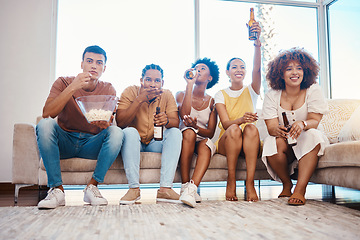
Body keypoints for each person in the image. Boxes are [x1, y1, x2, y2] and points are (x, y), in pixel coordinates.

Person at [36, 45, 124, 209]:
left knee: (116, 132)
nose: (93, 66)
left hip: (91, 144)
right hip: (65, 142)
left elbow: (108, 121)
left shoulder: (108, 88)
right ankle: (57, 190)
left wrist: (106, 124)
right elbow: (48, 113)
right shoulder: (63, 82)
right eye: (89, 61)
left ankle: (92, 187)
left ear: (104, 68)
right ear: (82, 64)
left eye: (99, 63)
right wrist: (73, 87)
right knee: (45, 124)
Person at [261, 47, 329, 206]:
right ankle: (286, 183)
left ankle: (300, 189)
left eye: (299, 68)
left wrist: (303, 124)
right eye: (289, 68)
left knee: (312, 134)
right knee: (272, 141)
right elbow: (270, 126)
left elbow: (314, 120)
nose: (295, 72)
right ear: (280, 73)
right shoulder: (272, 94)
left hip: (308, 139)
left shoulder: (313, 90)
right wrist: (276, 130)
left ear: (306, 71)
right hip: (285, 142)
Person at [117, 64, 182, 205]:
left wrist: (167, 120)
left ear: (162, 83)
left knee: (175, 132)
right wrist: (140, 99)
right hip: (134, 143)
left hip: (155, 143)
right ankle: (134, 189)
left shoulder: (167, 94)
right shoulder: (130, 91)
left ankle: (165, 189)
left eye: (157, 81)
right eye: (148, 80)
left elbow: (175, 122)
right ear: (141, 80)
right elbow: (120, 122)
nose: (153, 84)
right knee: (129, 131)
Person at [214, 22, 262, 202]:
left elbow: (257, 69)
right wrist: (241, 119)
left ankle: (250, 183)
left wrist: (257, 43)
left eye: (242, 67)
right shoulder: (221, 94)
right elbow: (226, 124)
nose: (239, 70)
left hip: (249, 142)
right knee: (234, 129)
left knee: (251, 129)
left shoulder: (252, 90)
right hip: (229, 141)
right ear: (228, 72)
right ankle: (231, 180)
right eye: (234, 67)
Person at [176, 58, 219, 207]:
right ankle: (184, 185)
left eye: (202, 69)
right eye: (196, 68)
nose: (198, 70)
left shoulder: (212, 101)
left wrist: (197, 128)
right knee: (189, 132)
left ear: (209, 78)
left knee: (207, 144)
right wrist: (189, 84)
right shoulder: (181, 94)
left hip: (201, 137)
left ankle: (192, 189)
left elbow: (211, 132)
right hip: (185, 136)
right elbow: (184, 115)